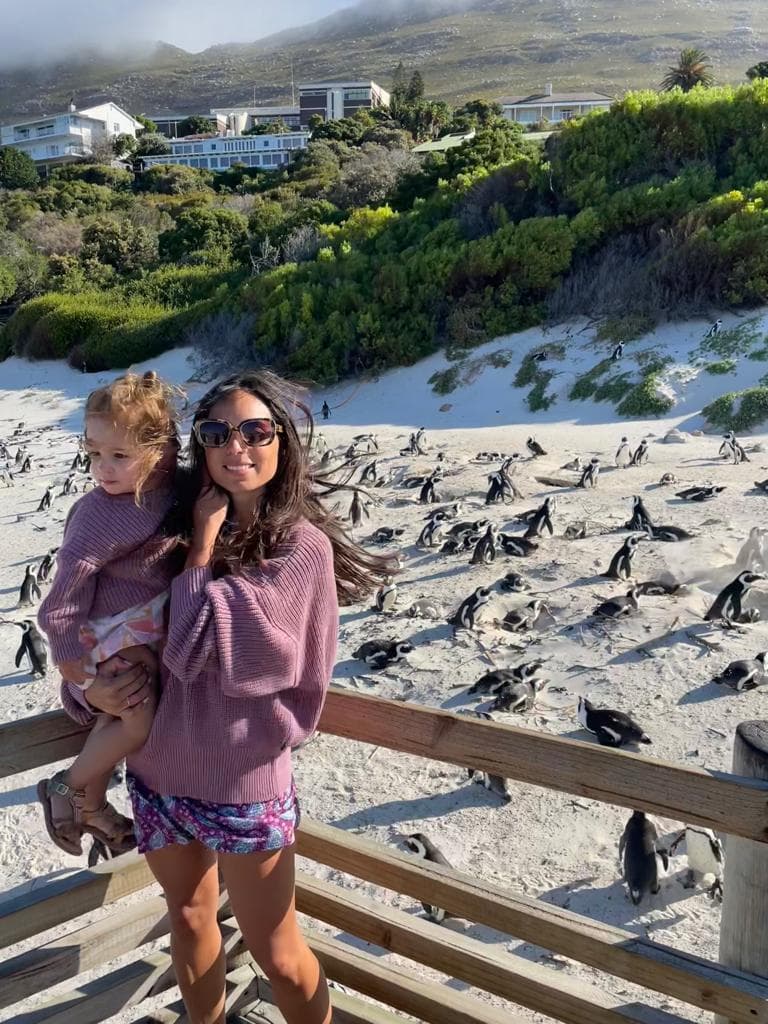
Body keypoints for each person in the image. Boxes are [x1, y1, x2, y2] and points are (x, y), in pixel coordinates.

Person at [60, 369, 393, 1024]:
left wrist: (203, 550)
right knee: (187, 920)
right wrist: (88, 681)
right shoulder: (171, 527)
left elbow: (198, 651)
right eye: (217, 432)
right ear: (200, 448)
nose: (236, 445)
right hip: (158, 773)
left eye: (255, 430)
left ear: (281, 443)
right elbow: (104, 607)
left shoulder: (302, 548)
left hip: (244, 786)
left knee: (277, 950)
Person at [37, 370, 181, 856]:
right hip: (110, 632)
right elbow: (63, 593)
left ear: (161, 450)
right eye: (94, 453)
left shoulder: (171, 490)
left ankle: (93, 808)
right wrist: (66, 659)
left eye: (119, 455)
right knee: (136, 718)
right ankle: (64, 786)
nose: (103, 468)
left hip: (141, 625)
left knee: (120, 714)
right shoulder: (101, 512)